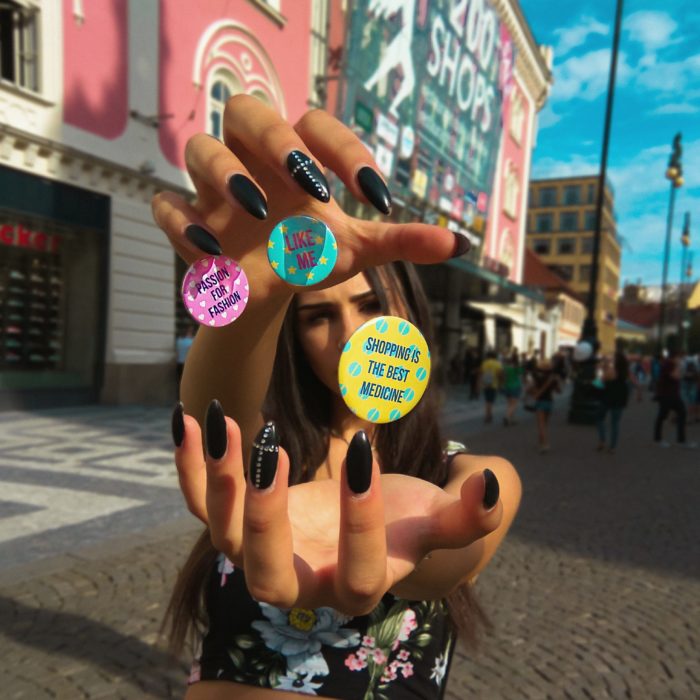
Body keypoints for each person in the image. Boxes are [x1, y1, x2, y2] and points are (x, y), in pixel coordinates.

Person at [152, 97, 521, 699]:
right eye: (318, 315)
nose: (351, 336)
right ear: (293, 337)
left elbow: (447, 557)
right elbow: (209, 417)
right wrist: (256, 285)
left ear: (410, 309)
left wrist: (422, 539)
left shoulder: (469, 473)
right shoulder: (266, 456)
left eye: (370, 305)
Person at [654, 351, 697, 448]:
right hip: (666, 395)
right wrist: (678, 366)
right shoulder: (669, 364)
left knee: (682, 413)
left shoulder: (671, 364)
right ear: (675, 357)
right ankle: (658, 439)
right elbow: (676, 376)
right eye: (680, 358)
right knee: (662, 416)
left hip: (673, 395)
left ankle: (681, 440)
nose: (681, 360)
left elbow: (679, 376)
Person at [595, 351, 631, 455]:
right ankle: (613, 447)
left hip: (606, 399)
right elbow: (629, 384)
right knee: (615, 424)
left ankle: (602, 440)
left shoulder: (610, 372)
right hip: (619, 400)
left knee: (599, 418)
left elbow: (598, 384)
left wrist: (599, 373)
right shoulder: (625, 372)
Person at [527, 356, 560, 453]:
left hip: (540, 402)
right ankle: (541, 442)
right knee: (545, 424)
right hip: (549, 402)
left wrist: (534, 392)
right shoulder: (553, 378)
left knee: (541, 425)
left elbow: (529, 390)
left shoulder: (536, 378)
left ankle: (545, 444)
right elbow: (559, 391)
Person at [478, 350, 503, 424]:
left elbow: (480, 373)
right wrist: (501, 384)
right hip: (494, 384)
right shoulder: (497, 364)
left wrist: (479, 384)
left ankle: (487, 415)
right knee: (491, 401)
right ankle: (489, 415)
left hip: (485, 384)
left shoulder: (484, 363)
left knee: (487, 400)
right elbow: (500, 374)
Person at [501, 349, 523, 426]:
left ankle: (511, 419)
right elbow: (521, 375)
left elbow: (503, 377)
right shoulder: (517, 367)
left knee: (509, 404)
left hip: (507, 387)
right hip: (515, 386)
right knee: (514, 404)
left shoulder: (505, 367)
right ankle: (506, 417)